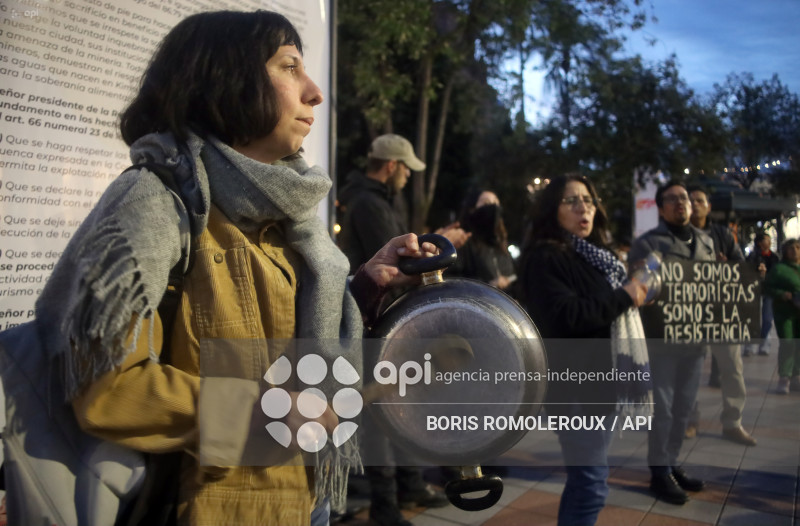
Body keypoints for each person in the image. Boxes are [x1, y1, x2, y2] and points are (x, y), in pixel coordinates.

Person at [32, 11, 436, 525]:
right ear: (226, 81)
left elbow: (280, 335)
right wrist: (261, 409)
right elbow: (107, 390)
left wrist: (360, 286)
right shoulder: (156, 204)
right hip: (215, 507)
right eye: (290, 67)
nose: (314, 92)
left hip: (306, 496)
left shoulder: (282, 212)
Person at [520, 174, 650, 526]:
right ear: (552, 209)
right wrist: (626, 296)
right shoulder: (545, 257)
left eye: (589, 200)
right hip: (574, 386)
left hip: (601, 381)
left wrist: (634, 292)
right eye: (571, 200)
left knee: (586, 481)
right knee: (592, 485)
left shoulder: (597, 255)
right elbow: (567, 316)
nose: (584, 208)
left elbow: (605, 306)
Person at [338, 134, 451, 526]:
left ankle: (409, 485)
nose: (406, 176)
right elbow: (393, 266)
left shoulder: (372, 200)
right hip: (370, 320)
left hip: (377, 317)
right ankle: (385, 503)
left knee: (396, 404)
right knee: (382, 411)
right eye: (405, 169)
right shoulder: (369, 204)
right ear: (391, 166)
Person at [629, 181, 713, 505]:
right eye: (672, 199)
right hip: (662, 340)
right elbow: (639, 288)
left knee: (684, 408)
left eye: (685, 199)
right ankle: (659, 472)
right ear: (661, 207)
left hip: (696, 340)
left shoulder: (706, 241)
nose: (681, 203)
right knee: (662, 410)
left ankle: (673, 463)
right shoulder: (648, 244)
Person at [686, 187, 756, 447]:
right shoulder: (677, 236)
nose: (694, 204)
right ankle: (689, 421)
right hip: (691, 312)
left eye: (699, 200)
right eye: (690, 200)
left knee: (732, 369)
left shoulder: (722, 234)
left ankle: (733, 423)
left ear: (708, 206)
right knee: (690, 369)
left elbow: (741, 268)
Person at [448, 189, 516, 292]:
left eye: (496, 203)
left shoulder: (502, 245)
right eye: (486, 202)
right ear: (472, 209)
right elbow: (453, 280)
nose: (493, 207)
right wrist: (487, 285)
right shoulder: (463, 242)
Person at [763, 239, 800, 394]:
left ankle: (796, 377)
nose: (795, 251)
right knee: (788, 342)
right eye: (791, 248)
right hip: (784, 313)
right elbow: (766, 288)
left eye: (798, 248)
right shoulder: (779, 269)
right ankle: (784, 377)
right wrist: (782, 294)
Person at [746, 232, 780, 356]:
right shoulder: (752, 256)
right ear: (760, 243)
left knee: (767, 320)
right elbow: (746, 270)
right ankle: (749, 347)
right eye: (767, 240)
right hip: (754, 291)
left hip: (768, 292)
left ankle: (764, 346)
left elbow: (777, 274)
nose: (769, 242)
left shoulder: (774, 257)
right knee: (752, 319)